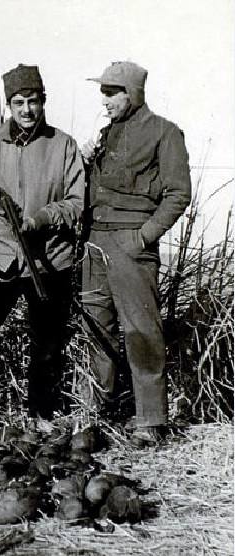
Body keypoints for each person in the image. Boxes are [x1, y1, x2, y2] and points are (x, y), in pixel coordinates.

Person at [0, 64, 85, 420]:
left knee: (47, 344)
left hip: (50, 261)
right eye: (20, 102)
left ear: (44, 102)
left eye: (34, 101)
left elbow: (76, 202)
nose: (28, 110)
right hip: (4, 259)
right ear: (9, 106)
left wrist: (39, 219)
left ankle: (40, 418)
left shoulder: (64, 146)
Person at [81, 61, 192, 447]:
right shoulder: (103, 135)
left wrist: (143, 237)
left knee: (141, 331)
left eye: (112, 93)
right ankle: (98, 415)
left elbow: (178, 194)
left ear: (134, 93)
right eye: (103, 93)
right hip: (94, 244)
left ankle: (150, 422)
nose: (105, 100)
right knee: (98, 331)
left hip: (131, 246)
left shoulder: (165, 133)